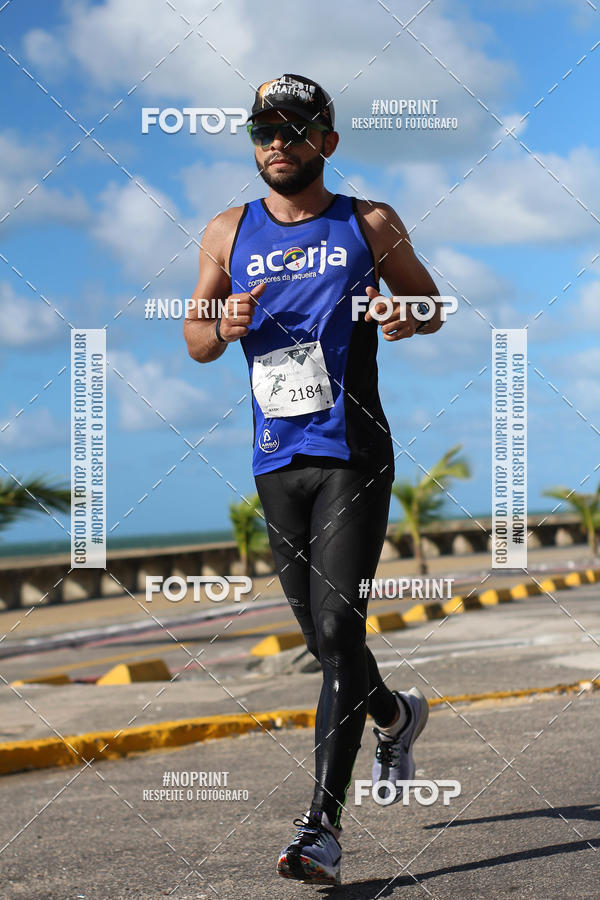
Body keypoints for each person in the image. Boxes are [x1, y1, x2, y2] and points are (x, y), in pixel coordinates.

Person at [184, 73, 443, 886]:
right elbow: (194, 336)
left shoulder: (368, 221)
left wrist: (408, 316)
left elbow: (431, 303)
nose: (276, 145)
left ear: (326, 143)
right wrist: (220, 325)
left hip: (353, 452)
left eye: (294, 132)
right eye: (264, 131)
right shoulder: (228, 231)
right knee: (324, 638)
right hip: (274, 459)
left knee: (338, 630)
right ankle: (398, 717)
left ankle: (319, 831)